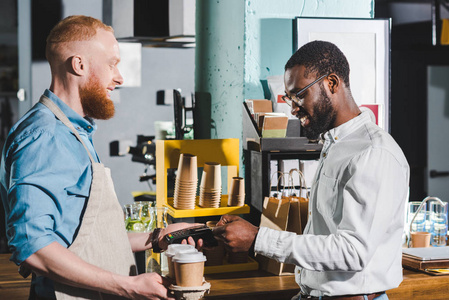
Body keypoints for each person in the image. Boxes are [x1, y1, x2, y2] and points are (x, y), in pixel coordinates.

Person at [0, 15, 199, 300]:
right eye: (112, 64)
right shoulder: (45, 136)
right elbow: (33, 247)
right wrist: (128, 285)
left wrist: (157, 237)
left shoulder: (72, 131)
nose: (119, 77)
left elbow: (83, 238)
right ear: (79, 64)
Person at [214, 41, 410, 300]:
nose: (293, 107)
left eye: (299, 94)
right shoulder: (334, 145)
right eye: (289, 98)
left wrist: (258, 239)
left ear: (331, 83)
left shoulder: (374, 152)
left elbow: (352, 251)